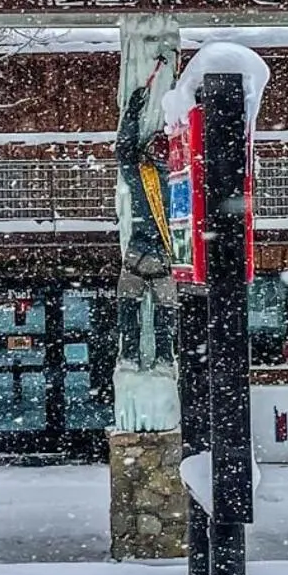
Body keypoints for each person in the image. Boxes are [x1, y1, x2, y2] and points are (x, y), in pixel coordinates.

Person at [114, 78, 177, 393]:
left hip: (139, 252)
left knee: (128, 306)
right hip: (165, 254)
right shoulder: (178, 180)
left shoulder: (143, 175)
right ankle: (164, 357)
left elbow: (123, 151)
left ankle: (129, 355)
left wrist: (131, 111)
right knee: (165, 312)